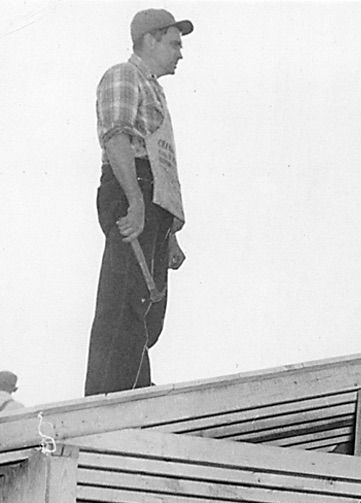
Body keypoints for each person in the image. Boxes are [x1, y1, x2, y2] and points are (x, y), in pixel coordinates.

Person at [84, 9, 193, 397]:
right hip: (134, 191)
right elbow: (117, 138)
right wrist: (134, 203)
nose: (180, 53)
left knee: (147, 309)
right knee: (125, 302)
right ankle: (107, 400)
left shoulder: (154, 90)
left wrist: (170, 234)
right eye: (174, 43)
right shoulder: (124, 76)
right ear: (150, 39)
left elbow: (161, 163)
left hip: (153, 202)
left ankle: (134, 391)